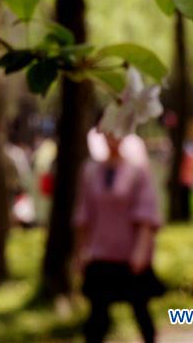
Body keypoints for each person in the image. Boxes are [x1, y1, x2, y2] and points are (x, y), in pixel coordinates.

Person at [74, 129, 164, 343]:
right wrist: (81, 250)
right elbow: (84, 214)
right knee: (97, 316)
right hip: (100, 253)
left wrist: (141, 250)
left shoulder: (137, 171)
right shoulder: (90, 171)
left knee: (140, 310)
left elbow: (146, 214)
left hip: (129, 254)